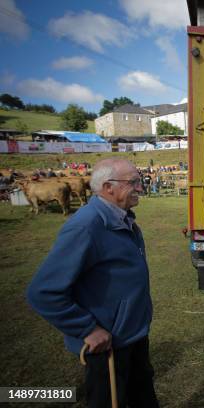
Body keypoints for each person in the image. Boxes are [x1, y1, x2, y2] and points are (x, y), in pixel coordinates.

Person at [26, 158, 159, 408]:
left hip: (132, 333)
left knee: (143, 396)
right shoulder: (86, 227)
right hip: (107, 345)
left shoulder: (123, 218)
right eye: (133, 182)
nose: (140, 188)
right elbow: (42, 292)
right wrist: (87, 329)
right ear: (109, 187)